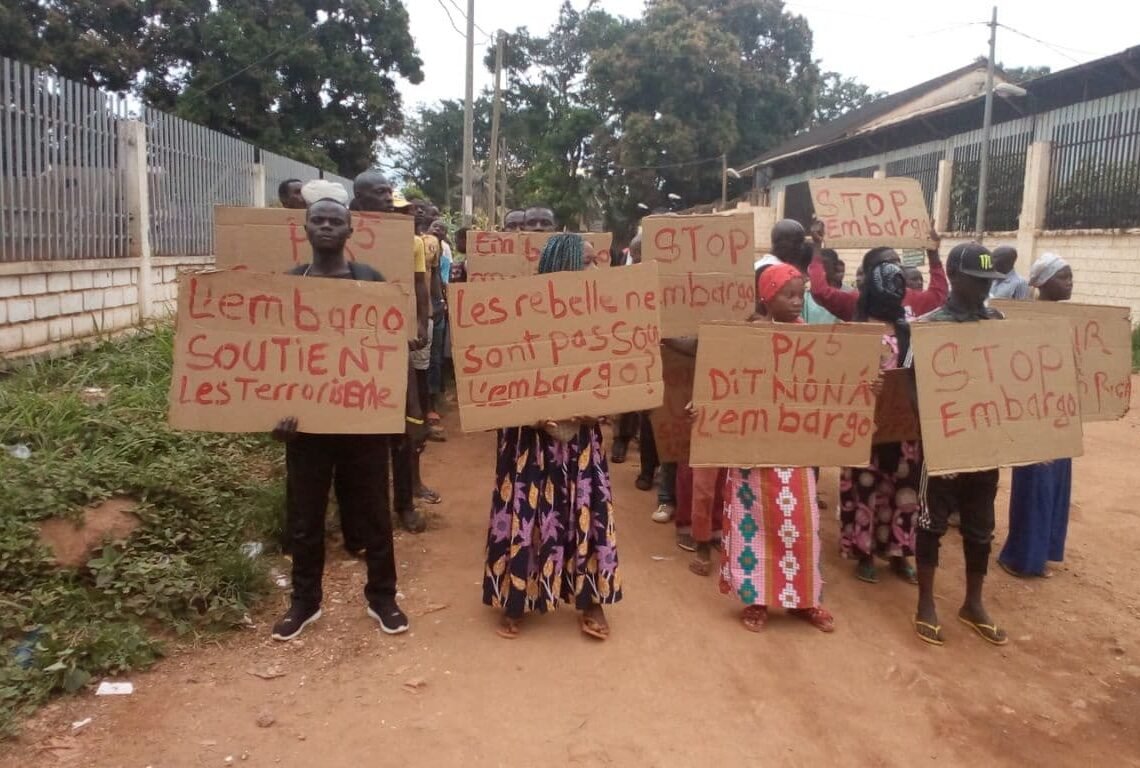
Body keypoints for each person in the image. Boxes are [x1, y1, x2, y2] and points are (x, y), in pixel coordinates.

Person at [270, 198, 408, 641]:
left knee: (374, 516)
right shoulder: (290, 285)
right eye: (319, 220)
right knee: (305, 519)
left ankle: (383, 598)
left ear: (350, 231)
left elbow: (389, 351)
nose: (327, 226)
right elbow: (274, 354)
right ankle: (304, 603)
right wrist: (273, 414)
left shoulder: (370, 281)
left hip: (363, 423)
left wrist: (395, 411)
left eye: (336, 221)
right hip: (306, 428)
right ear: (305, 229)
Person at [483, 234, 621, 640]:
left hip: (580, 438)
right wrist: (532, 412)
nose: (597, 269)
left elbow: (617, 380)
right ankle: (516, 597)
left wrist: (597, 408)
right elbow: (498, 380)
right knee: (526, 518)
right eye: (589, 261)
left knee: (586, 513)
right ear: (565, 267)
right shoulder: (518, 317)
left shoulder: (604, 319)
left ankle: (590, 598)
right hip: (529, 440)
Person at [690, 262, 834, 633]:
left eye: (800, 295)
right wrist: (705, 404)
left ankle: (805, 600)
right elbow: (722, 381)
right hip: (751, 451)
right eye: (788, 294)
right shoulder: (747, 336)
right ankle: (756, 599)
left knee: (800, 526)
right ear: (767, 297)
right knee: (754, 525)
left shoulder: (815, 341)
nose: (796, 302)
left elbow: (830, 388)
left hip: (795, 451)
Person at [910, 242, 1007, 647]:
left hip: (985, 444)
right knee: (931, 522)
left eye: (989, 282)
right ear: (953, 276)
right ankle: (925, 604)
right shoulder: (931, 326)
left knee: (980, 525)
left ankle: (973, 603)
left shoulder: (998, 322)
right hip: (944, 444)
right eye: (976, 281)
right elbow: (912, 388)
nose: (984, 289)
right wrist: (936, 427)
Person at [350, 171, 430, 535]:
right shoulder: (340, 231)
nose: (386, 197)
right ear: (358, 200)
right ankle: (363, 512)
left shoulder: (407, 239)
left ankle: (405, 505)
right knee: (360, 435)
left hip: (394, 343)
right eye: (377, 192)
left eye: (388, 191)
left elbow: (417, 284)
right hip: (349, 348)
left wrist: (420, 324)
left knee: (405, 426)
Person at [839, 261, 919, 585]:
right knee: (866, 487)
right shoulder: (856, 328)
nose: (897, 291)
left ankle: (899, 553)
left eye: (900, 286)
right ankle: (865, 552)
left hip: (902, 425)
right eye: (890, 286)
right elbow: (842, 375)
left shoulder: (911, 327)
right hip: (866, 422)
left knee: (902, 489)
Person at [998, 253, 1074, 579]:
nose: (1070, 282)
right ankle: (1020, 557)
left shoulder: (1073, 320)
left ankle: (1042, 553)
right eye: (1064, 276)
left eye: (1071, 276)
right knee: (1035, 486)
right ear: (1042, 282)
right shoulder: (1025, 318)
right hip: (1033, 415)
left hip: (1061, 414)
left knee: (1056, 486)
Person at [808, 223, 948, 320]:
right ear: (870, 273)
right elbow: (820, 291)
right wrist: (817, 246)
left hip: (905, 363)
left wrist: (933, 252)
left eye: (898, 262)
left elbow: (938, 295)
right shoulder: (856, 301)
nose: (896, 267)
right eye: (889, 263)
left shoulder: (912, 297)